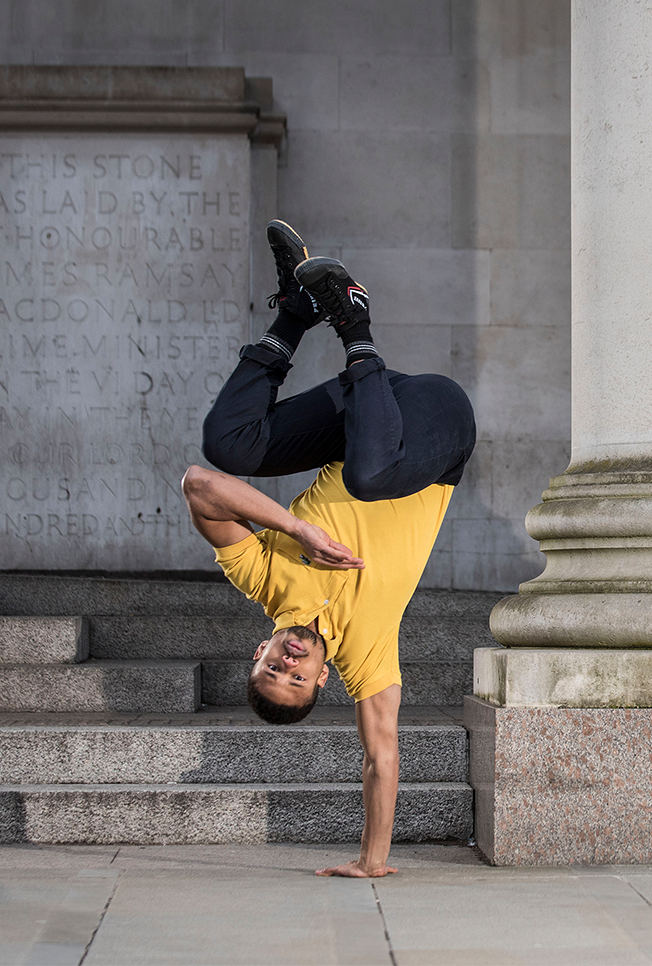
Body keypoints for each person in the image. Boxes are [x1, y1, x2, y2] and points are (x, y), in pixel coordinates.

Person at [182, 220, 476, 877]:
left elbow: (200, 488)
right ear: (321, 680)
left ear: (258, 651)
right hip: (435, 425)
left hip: (364, 415)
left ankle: (297, 312)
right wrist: (373, 862)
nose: (289, 664)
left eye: (272, 670)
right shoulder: (366, 654)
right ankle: (356, 326)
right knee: (372, 480)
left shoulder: (262, 577)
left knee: (226, 445)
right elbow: (381, 756)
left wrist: (298, 530)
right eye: (298, 679)